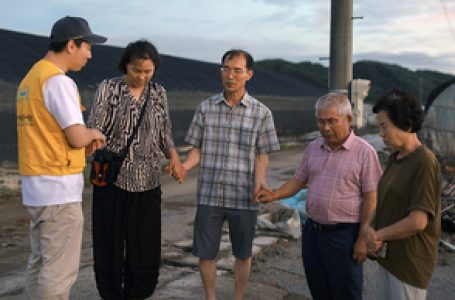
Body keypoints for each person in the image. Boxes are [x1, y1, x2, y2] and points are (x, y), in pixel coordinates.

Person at [256, 93, 382, 300]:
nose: (325, 127)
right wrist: (275, 194)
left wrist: (362, 238)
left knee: (345, 292)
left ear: (348, 119)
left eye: (332, 121)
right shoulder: (314, 147)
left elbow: (372, 197)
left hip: (345, 235)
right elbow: (298, 180)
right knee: (319, 289)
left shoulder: (365, 153)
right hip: (313, 233)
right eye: (321, 121)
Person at [16, 16, 106, 299]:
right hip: (58, 189)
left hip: (36, 186)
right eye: (87, 46)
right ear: (71, 45)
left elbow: (47, 132)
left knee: (40, 261)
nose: (90, 54)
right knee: (58, 271)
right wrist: (93, 133)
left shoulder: (30, 79)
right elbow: (76, 136)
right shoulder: (59, 82)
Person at [87, 39, 184, 300]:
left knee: (145, 244)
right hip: (112, 180)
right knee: (109, 243)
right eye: (136, 70)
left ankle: (138, 294)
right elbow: (95, 126)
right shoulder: (109, 88)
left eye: (147, 71)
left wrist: (174, 157)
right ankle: (111, 294)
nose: (141, 77)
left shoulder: (159, 93)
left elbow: (165, 132)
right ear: (125, 66)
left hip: (149, 180)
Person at [181, 49, 280, 300]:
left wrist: (260, 182)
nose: (230, 75)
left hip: (244, 195)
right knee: (205, 252)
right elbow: (197, 150)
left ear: (248, 74)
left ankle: (238, 297)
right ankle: (211, 297)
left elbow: (262, 155)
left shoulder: (262, 113)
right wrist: (184, 166)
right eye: (226, 69)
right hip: (210, 194)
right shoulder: (206, 108)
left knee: (243, 253)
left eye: (237, 70)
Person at [365, 89, 441, 300]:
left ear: (405, 124)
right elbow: (384, 201)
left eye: (384, 126)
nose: (381, 133)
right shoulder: (395, 158)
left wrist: (378, 235)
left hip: (409, 263)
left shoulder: (424, 162)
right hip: (388, 257)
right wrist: (367, 227)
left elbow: (418, 221)